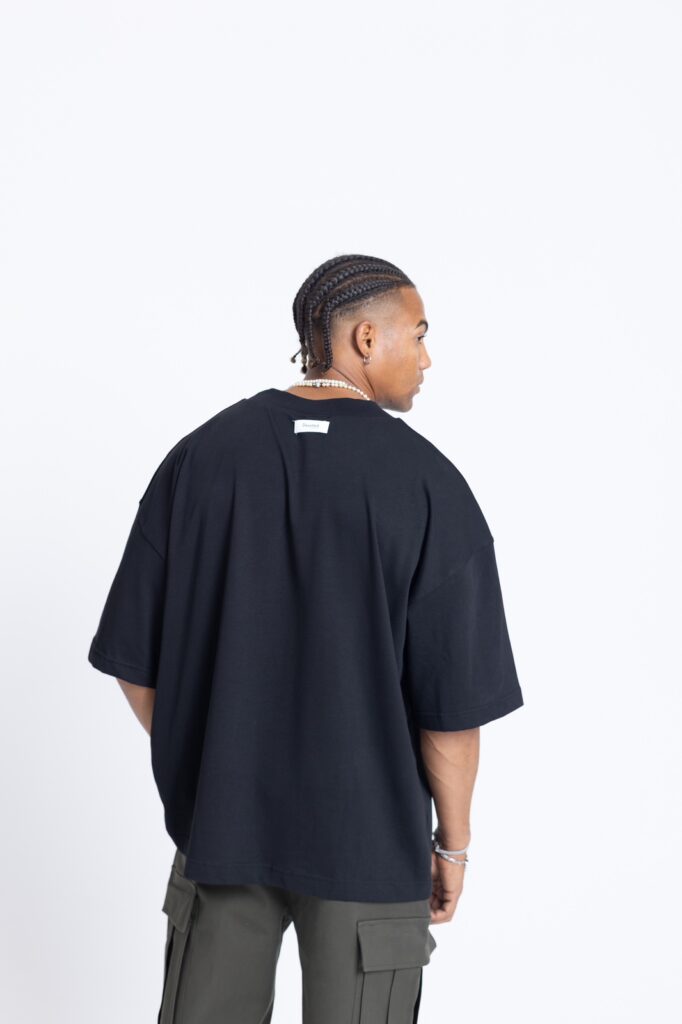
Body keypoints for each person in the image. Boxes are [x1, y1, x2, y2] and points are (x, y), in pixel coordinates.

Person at [87, 253, 524, 1023]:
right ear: (365, 339)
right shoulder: (429, 485)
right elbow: (451, 716)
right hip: (371, 844)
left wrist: (218, 755)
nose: (427, 358)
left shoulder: (200, 459)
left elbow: (135, 662)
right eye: (419, 334)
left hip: (224, 831)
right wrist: (452, 847)